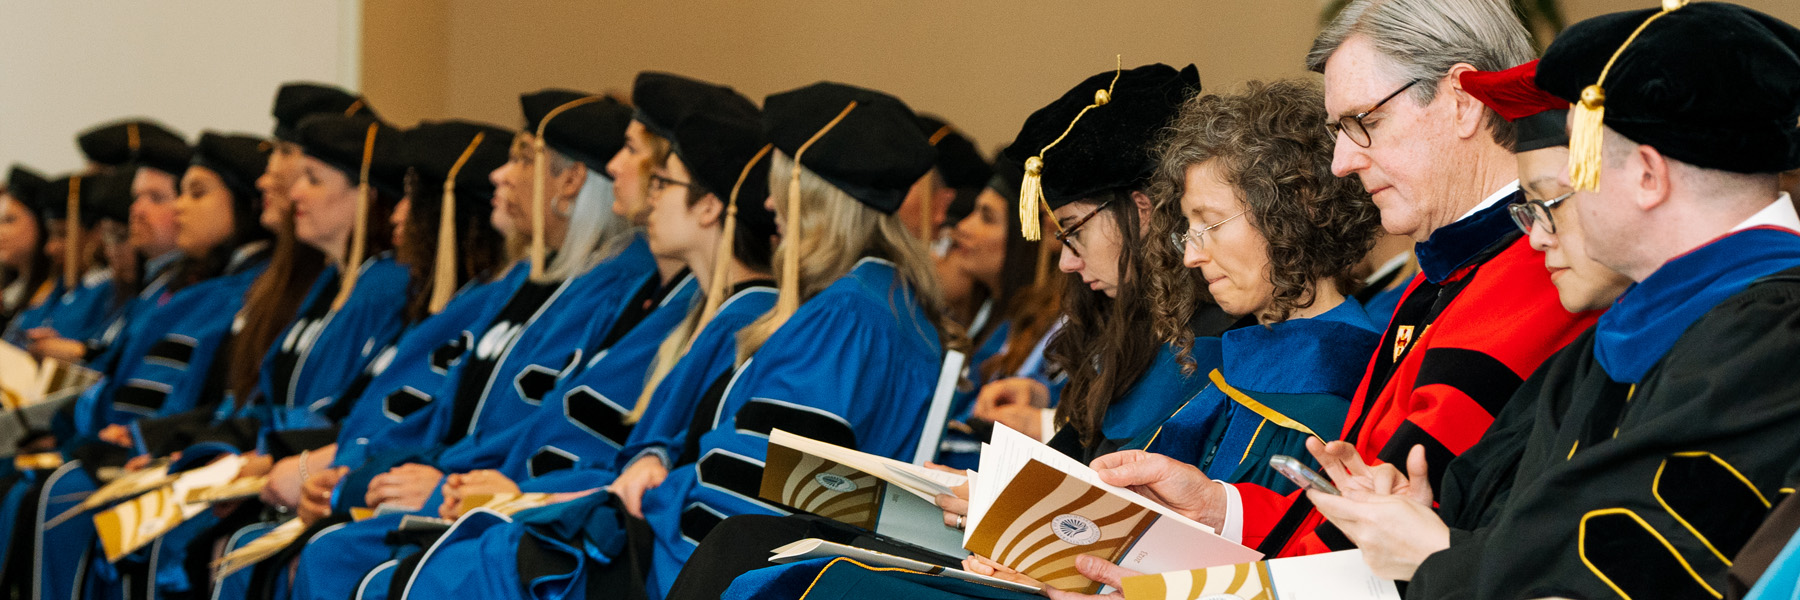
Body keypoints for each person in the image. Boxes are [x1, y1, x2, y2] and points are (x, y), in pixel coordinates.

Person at [1344, 4, 1800, 598]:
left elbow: (1637, 571)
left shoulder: (1770, 344)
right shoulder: (1633, 330)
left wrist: (1439, 557)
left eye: (1563, 191)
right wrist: (1425, 517)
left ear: (1646, 178)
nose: (1541, 234)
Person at [0, 166, 51, 331]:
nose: (1, 231)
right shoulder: (11, 291)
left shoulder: (52, 294)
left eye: (9, 220)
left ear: (41, 224)